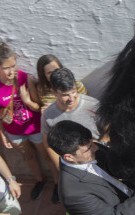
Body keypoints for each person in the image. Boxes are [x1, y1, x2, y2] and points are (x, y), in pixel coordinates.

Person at [0, 41, 48, 200]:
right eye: (6, 68)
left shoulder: (24, 78)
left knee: (46, 155)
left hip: (34, 127)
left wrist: (27, 100)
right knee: (29, 157)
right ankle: (40, 181)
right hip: (13, 131)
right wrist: (1, 134)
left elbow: (37, 107)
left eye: (13, 66)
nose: (11, 71)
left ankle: (56, 183)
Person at [41, 67, 100, 203]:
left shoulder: (93, 105)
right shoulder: (48, 115)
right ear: (54, 92)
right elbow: (48, 144)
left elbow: (107, 129)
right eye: (65, 95)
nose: (71, 98)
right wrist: (60, 168)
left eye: (74, 92)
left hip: (97, 159)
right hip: (73, 167)